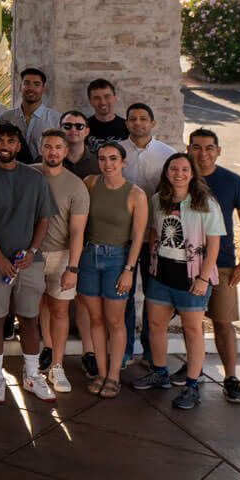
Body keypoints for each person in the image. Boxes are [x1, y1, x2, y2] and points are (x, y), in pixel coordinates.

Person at [0, 122, 57, 404]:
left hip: (28, 263)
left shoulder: (34, 179)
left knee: (29, 320)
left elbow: (44, 218)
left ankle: (32, 375)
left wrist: (32, 251)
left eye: (11, 141)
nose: (5, 146)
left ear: (19, 146)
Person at [133, 154, 224, 411]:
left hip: (192, 277)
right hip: (161, 275)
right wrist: (152, 264)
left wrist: (204, 278)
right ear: (166, 172)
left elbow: (214, 244)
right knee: (155, 325)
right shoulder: (157, 200)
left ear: (192, 174)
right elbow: (153, 232)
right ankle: (160, 373)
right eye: (174, 168)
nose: (179, 173)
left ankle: (192, 385)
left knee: (193, 330)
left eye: (185, 169)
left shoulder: (206, 203)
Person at [188, 128, 240, 403]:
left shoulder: (233, 182)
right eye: (197, 147)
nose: (203, 153)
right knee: (191, 323)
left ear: (218, 150)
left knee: (223, 322)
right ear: (188, 148)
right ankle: (193, 369)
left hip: (223, 264)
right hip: (187, 264)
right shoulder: (180, 176)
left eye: (209, 147)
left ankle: (231, 377)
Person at [79, 143, 148, 398]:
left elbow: (138, 237)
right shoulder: (90, 183)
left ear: (124, 162)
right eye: (103, 159)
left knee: (116, 321)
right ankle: (101, 371)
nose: (108, 164)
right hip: (88, 257)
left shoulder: (136, 195)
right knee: (95, 320)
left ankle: (114, 376)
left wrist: (129, 270)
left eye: (114, 159)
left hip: (117, 260)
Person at [33, 129, 91, 394]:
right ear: (41, 148)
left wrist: (72, 267)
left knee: (58, 309)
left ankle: (57, 365)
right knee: (33, 309)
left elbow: (78, 231)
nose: (53, 152)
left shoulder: (75, 185)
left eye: (58, 147)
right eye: (48, 146)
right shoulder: (28, 174)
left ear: (66, 152)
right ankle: (34, 362)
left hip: (60, 254)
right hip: (30, 255)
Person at [118, 102, 175, 363]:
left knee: (153, 295)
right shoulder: (118, 151)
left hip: (156, 238)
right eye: (132, 119)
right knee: (125, 295)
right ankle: (126, 349)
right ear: (127, 123)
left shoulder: (168, 154)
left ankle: (151, 351)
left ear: (153, 123)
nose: (138, 123)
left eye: (143, 118)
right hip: (124, 236)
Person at [0, 67, 61, 162]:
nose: (31, 88)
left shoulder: (56, 119)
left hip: (43, 173)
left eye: (36, 84)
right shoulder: (6, 117)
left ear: (43, 89)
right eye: (27, 83)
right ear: (20, 87)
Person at [86, 78, 129, 154]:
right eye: (97, 98)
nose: (103, 102)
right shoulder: (82, 128)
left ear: (115, 98)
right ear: (90, 102)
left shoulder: (127, 127)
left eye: (107, 96)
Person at [61, 110, 101, 177]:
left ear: (87, 131)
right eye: (67, 126)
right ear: (60, 130)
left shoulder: (100, 161)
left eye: (79, 126)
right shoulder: (46, 160)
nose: (73, 130)